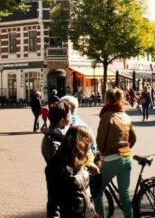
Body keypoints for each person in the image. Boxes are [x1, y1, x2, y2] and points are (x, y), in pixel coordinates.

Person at [93, 88, 137, 218]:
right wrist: (125, 147)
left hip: (111, 159)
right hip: (126, 159)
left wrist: (99, 155)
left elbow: (100, 140)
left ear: (107, 100)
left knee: (97, 192)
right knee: (125, 196)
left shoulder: (106, 116)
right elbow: (133, 138)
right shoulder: (126, 116)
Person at [46, 126, 99, 218]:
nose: (89, 147)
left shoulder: (80, 160)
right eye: (87, 143)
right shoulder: (57, 165)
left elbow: (90, 193)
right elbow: (53, 203)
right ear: (79, 143)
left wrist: (96, 176)